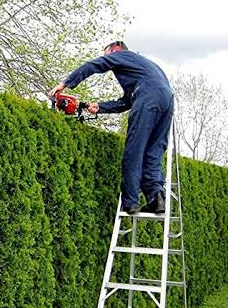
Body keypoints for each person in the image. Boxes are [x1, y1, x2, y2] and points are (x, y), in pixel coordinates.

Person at [49, 41, 174, 214]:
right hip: (166, 101)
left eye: (108, 56)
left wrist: (66, 83)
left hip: (148, 98)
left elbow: (94, 65)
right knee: (153, 152)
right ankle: (156, 198)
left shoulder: (122, 55)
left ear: (115, 51)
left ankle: (130, 202)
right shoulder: (145, 67)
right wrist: (100, 107)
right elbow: (126, 102)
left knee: (134, 151)